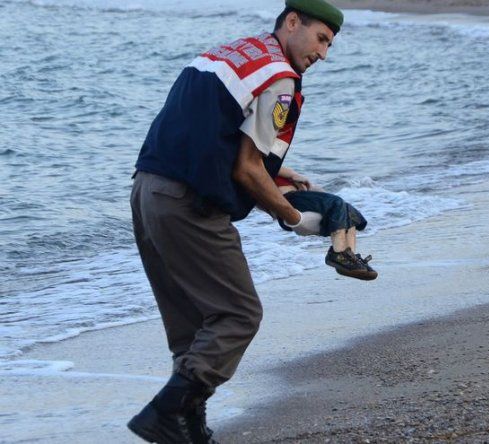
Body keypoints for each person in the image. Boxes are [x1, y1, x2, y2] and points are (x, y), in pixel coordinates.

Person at [127, 0, 356, 442]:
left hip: (147, 191)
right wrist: (293, 217)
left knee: (191, 329)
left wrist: (280, 171)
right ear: (293, 22)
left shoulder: (232, 52)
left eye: (330, 44)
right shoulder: (282, 79)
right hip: (187, 204)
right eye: (321, 39)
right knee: (238, 314)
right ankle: (164, 412)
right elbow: (247, 170)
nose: (324, 54)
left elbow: (213, 126)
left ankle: (189, 431)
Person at [272, 169, 378, 280]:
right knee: (337, 203)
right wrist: (294, 175)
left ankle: (350, 258)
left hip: (301, 196)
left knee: (347, 209)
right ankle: (338, 255)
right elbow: (273, 165)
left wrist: (305, 184)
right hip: (288, 199)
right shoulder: (265, 166)